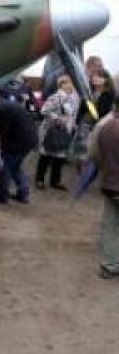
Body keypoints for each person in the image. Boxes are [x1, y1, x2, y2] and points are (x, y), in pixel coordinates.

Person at [0, 92, 38, 204]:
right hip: (30, 139)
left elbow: (2, 132)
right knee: (15, 167)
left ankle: (3, 196)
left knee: (4, 168)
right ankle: (23, 193)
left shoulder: (0, 110)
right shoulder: (7, 104)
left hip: (18, 142)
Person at [88, 95, 119, 279]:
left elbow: (94, 154)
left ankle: (109, 264)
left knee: (110, 224)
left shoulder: (104, 126)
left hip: (109, 183)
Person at [35, 75, 79, 190]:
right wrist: (57, 118)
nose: (68, 85)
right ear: (60, 85)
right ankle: (39, 179)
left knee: (60, 157)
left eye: (70, 82)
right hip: (51, 131)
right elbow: (44, 110)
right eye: (65, 83)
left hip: (65, 132)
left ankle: (55, 181)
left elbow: (73, 114)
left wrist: (72, 124)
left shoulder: (75, 98)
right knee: (46, 155)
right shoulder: (55, 97)